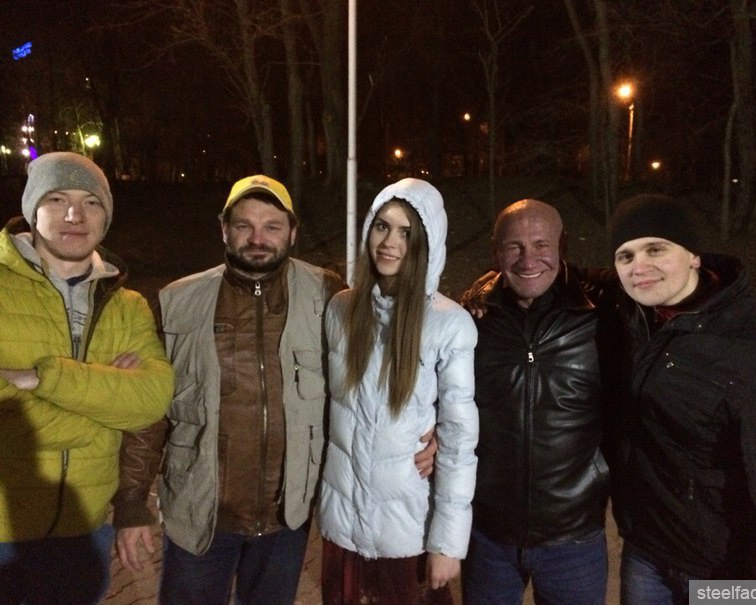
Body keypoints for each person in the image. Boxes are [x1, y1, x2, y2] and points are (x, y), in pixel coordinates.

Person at [113, 174, 437, 605]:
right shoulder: (177, 302)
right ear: (223, 229)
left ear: (292, 232)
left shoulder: (329, 295)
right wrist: (131, 502)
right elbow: (149, 411)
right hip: (199, 514)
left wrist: (428, 428)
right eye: (244, 225)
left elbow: (374, 379)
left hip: (287, 521)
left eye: (272, 226)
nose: (257, 238)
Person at [608, 194, 756, 603]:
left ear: (694, 255)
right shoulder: (636, 318)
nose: (638, 267)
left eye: (656, 249)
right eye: (625, 256)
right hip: (646, 552)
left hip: (722, 569)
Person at [0, 151, 174, 605]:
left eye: (91, 202)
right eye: (57, 199)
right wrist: (105, 408)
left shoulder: (127, 304)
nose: (75, 215)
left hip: (85, 530)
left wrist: (40, 380)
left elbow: (153, 399)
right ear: (31, 209)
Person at [318, 177, 479, 604]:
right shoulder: (340, 309)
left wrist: (447, 544)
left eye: (407, 233)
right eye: (382, 226)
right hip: (342, 528)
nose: (390, 242)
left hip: (407, 533)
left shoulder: (449, 323)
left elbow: (459, 439)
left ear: (426, 244)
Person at [459, 199, 616, 605]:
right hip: (488, 537)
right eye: (514, 247)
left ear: (562, 247)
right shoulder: (469, 322)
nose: (528, 260)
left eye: (541, 244)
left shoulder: (601, 317)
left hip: (574, 539)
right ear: (496, 253)